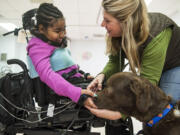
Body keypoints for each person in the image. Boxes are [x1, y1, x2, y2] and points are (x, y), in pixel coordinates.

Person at [86, 0, 180, 134]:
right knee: (149, 119)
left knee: (164, 114)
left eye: (107, 21)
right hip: (156, 68)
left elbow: (148, 83)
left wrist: (120, 114)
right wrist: (101, 75)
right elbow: (115, 62)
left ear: (125, 21)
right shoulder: (118, 34)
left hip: (175, 65)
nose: (102, 24)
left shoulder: (156, 31)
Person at [26, 3, 97, 108]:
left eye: (64, 29)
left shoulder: (55, 44)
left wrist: (83, 75)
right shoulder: (37, 46)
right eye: (57, 31)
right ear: (41, 29)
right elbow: (48, 75)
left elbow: (65, 68)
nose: (63, 34)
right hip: (57, 93)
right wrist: (77, 94)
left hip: (72, 82)